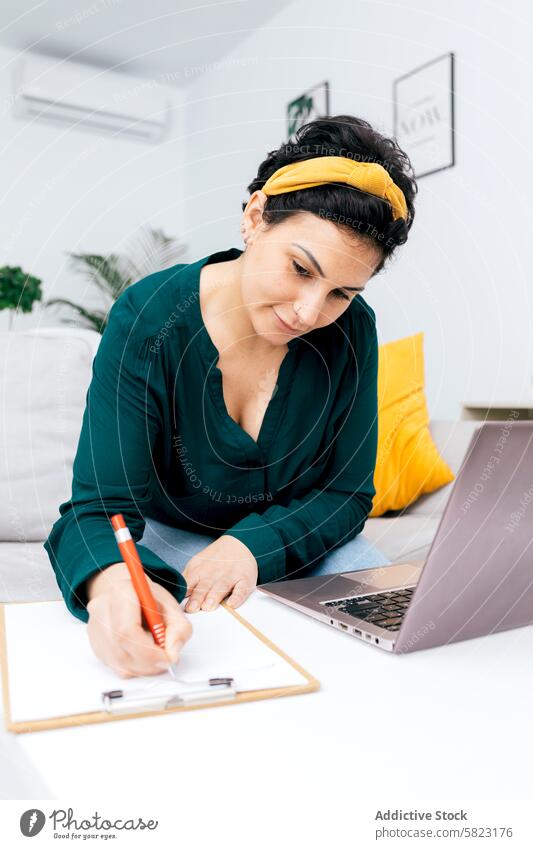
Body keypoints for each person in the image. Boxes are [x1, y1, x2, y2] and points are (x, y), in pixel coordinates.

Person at [44, 114, 417, 678]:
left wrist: (249, 547)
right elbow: (100, 508)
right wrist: (116, 584)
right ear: (255, 217)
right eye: (299, 269)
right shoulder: (149, 318)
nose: (309, 312)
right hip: (172, 536)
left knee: (398, 650)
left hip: (301, 539)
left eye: (341, 291)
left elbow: (346, 495)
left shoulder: (353, 330)